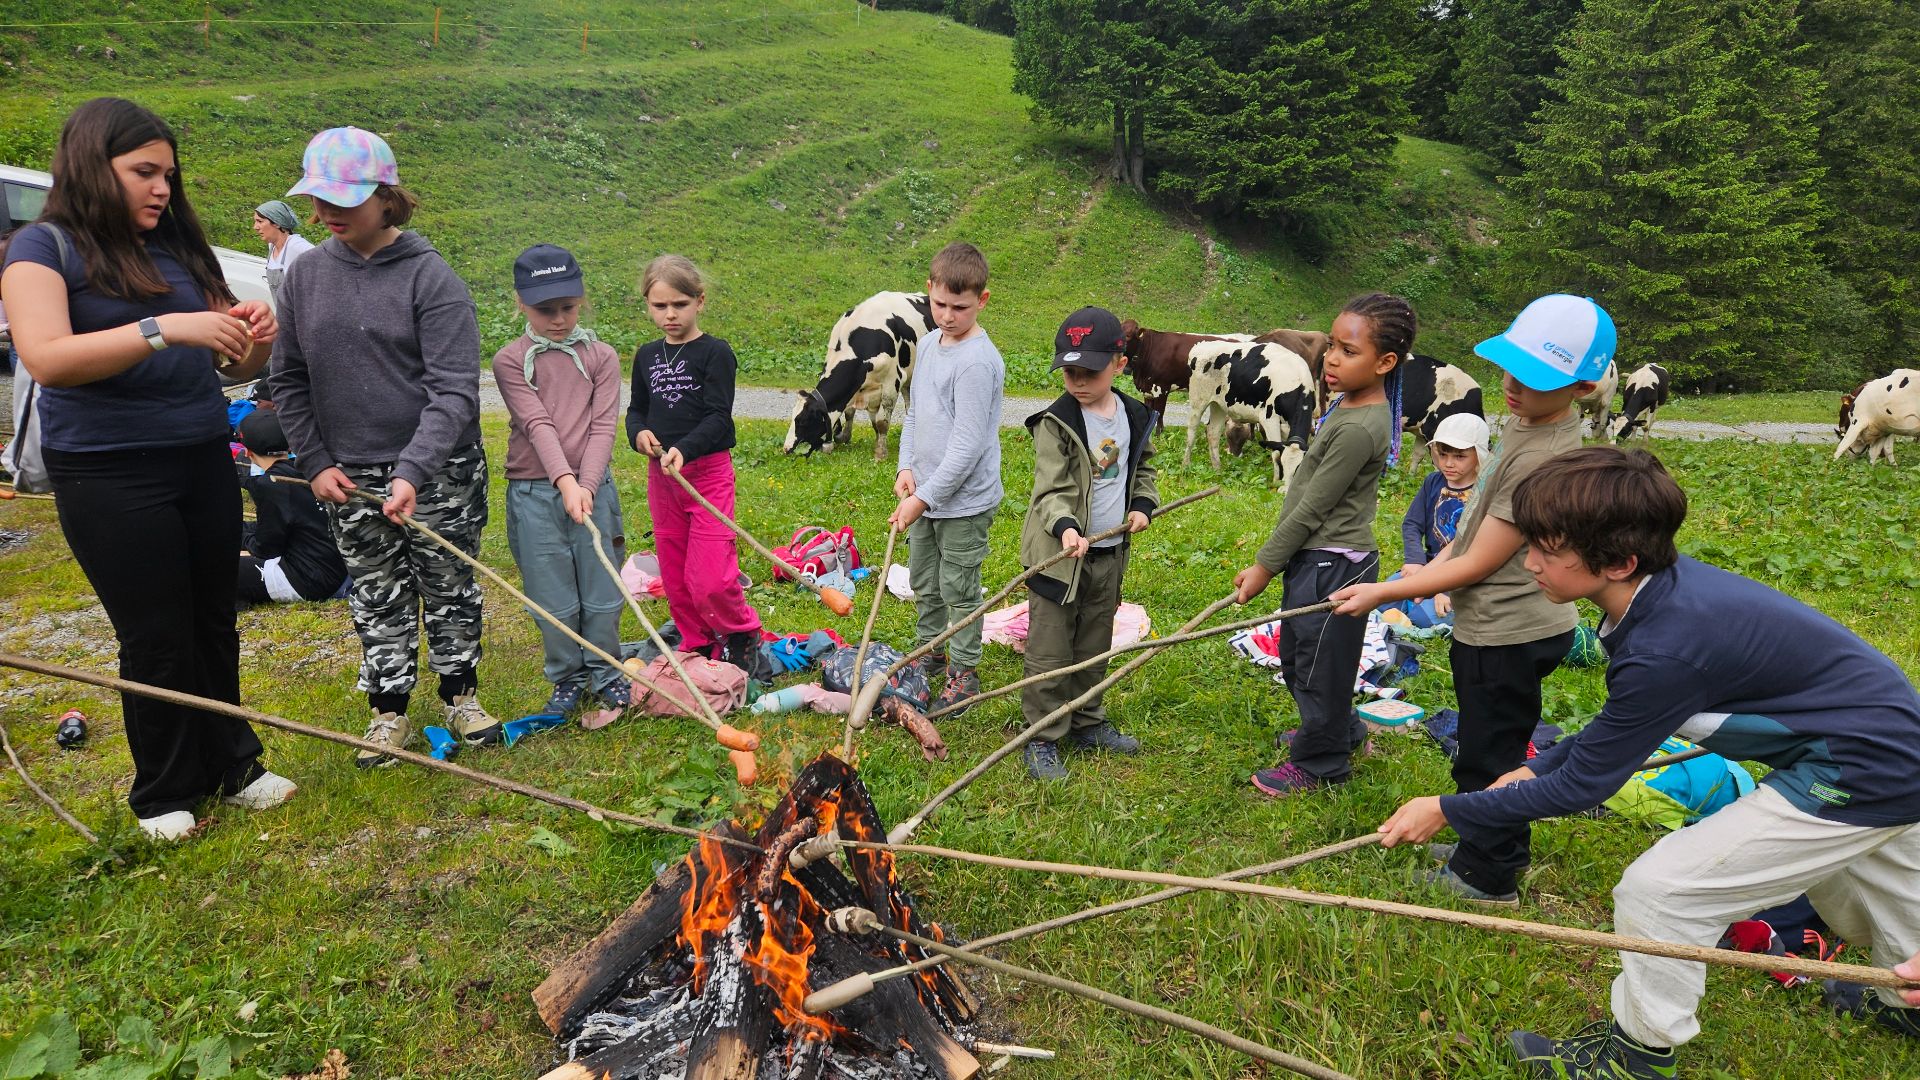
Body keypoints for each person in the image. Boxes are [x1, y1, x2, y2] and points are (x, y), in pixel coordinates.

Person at [1375, 446, 1920, 1078]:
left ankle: (1636, 1058)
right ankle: (1909, 1007)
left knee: (1663, 893)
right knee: (1888, 885)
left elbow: (1587, 784)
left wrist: (1447, 808)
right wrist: (1536, 767)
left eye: (1548, 551)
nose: (1529, 563)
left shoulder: (1666, 646)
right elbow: (1619, 731)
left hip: (1861, 766)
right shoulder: (1657, 598)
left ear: (1618, 562)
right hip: (1886, 746)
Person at [0, 97, 292, 840]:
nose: (162, 188)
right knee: (154, 633)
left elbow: (233, 357)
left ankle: (236, 766)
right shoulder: (42, 248)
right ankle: (163, 793)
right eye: (144, 172)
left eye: (168, 173)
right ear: (93, 167)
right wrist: (165, 328)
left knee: (212, 617)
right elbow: (47, 357)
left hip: (197, 454)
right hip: (107, 472)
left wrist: (254, 335)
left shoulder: (176, 246)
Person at [1334, 294, 1610, 904]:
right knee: (1488, 746)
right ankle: (1482, 841)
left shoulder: (1544, 457)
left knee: (1490, 754)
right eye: (1511, 368)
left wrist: (1384, 590)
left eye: (1536, 379)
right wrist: (1420, 575)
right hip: (1494, 621)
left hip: (1511, 629)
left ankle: (1489, 875)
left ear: (1584, 386)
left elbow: (1481, 559)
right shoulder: (1528, 424)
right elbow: (1466, 532)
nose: (1512, 386)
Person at [267, 126, 500, 767]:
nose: (326, 214)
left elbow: (454, 391)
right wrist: (314, 461)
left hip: (440, 470)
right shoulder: (306, 276)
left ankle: (461, 694)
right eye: (319, 200)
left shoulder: (432, 278)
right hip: (348, 473)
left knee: (449, 582)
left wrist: (415, 471)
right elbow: (287, 377)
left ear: (386, 193)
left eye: (345, 199)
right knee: (375, 590)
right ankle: (388, 712)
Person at [1231, 292, 1406, 796]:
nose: (1330, 358)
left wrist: (1265, 564)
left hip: (1332, 563)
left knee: (1315, 666)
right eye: (1331, 345)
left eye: (1348, 351)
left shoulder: (1357, 428)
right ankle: (1341, 729)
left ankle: (1321, 761)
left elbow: (1311, 508)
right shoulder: (1352, 409)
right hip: (1320, 558)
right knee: (1307, 655)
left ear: (1385, 362)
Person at [1017, 306, 1158, 781]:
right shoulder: (1056, 422)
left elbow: (1143, 468)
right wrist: (1065, 527)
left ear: (1119, 364)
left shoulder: (1136, 416)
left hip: (1108, 554)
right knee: (1050, 649)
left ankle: (1087, 720)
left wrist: (1141, 503)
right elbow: (1050, 488)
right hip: (1060, 556)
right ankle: (1042, 736)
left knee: (1095, 641)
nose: (1077, 381)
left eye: (1089, 372)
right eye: (1069, 372)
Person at [493, 244, 630, 714]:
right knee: (551, 595)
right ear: (520, 303)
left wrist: (587, 484)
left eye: (568, 308)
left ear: (582, 300)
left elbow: (603, 427)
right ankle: (567, 677)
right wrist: (566, 483)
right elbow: (537, 424)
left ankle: (606, 670)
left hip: (594, 491)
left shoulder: (603, 356)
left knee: (601, 588)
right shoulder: (510, 360)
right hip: (535, 493)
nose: (558, 320)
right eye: (544, 310)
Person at [624, 254, 769, 681]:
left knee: (709, 572)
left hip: (706, 474)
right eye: (659, 306)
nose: (670, 314)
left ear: (700, 301)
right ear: (648, 305)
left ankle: (741, 633)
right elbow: (636, 410)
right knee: (674, 569)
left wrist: (685, 449)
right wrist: (639, 435)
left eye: (680, 305)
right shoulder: (646, 356)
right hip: (662, 480)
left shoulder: (715, 353)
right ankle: (697, 640)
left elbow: (719, 417)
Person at [887, 241, 1004, 713]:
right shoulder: (931, 343)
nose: (948, 316)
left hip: (964, 502)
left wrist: (925, 498)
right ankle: (929, 652)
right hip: (929, 493)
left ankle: (964, 670)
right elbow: (915, 413)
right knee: (924, 579)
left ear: (982, 300)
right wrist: (906, 465)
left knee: (959, 585)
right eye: (940, 305)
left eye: (960, 307)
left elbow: (967, 447)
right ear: (928, 291)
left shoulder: (977, 362)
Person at [1384, 411, 1488, 628]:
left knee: (1422, 618)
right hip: (1428, 566)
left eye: (1460, 456)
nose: (1449, 463)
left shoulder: (1485, 492)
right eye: (1443, 454)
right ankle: (1416, 598)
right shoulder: (1433, 482)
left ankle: (1422, 604)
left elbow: (1475, 549)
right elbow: (1412, 523)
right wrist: (1415, 561)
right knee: (1384, 601)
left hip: (1463, 578)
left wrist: (1444, 589)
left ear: (1478, 454)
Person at [236, 409, 350, 606]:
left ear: (248, 452)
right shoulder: (305, 468)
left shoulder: (271, 483)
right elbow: (287, 526)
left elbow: (266, 548)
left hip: (310, 579)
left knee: (214, 567)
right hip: (337, 567)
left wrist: (239, 538)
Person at [250, 199, 313, 306]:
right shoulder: (272, 246)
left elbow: (325, 262)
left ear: (277, 223)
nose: (255, 227)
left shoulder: (295, 245)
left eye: (260, 221)